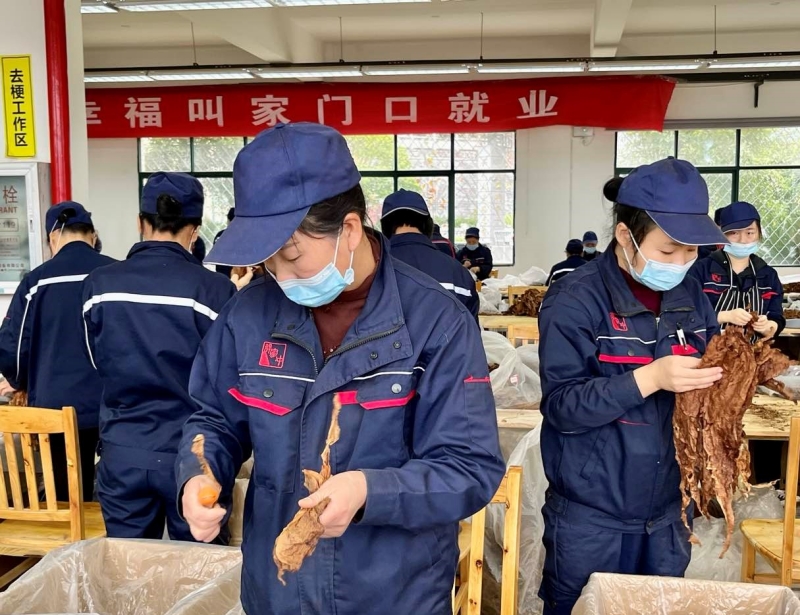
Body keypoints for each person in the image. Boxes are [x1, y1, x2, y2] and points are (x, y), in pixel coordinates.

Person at [177, 123, 504, 614]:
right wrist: (198, 475)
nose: (280, 278)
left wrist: (370, 490)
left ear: (349, 229)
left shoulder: (436, 324)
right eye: (268, 262)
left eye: (291, 256)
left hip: (394, 596)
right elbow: (213, 419)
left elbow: (468, 467)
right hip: (278, 589)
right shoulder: (247, 316)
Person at [537, 158, 728, 615]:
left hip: (667, 516)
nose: (681, 263)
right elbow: (562, 406)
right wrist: (649, 378)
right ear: (625, 236)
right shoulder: (576, 300)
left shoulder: (691, 300)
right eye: (668, 251)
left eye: (692, 252)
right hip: (591, 517)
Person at [82, 172, 236, 540]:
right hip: (193, 458)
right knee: (200, 581)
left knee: (126, 577)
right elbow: (224, 381)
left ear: (140, 222)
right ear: (195, 229)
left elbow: (96, 362)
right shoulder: (216, 291)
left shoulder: (99, 286)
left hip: (122, 453)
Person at [0, 201, 114, 502]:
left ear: (52, 237)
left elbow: (12, 346)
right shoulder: (115, 275)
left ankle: (70, 542)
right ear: (93, 235)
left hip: (55, 408)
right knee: (114, 495)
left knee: (65, 494)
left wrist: (19, 379)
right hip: (112, 407)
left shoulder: (37, 281)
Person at [689, 201, 784, 339]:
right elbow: (687, 315)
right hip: (709, 354)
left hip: (753, 355)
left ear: (759, 233)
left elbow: (777, 317)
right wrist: (724, 316)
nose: (743, 240)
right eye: (734, 233)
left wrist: (769, 326)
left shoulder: (768, 275)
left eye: (750, 232)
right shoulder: (701, 270)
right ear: (721, 234)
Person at [381, 189, 479, 322]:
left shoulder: (372, 270)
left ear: (384, 227)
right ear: (429, 225)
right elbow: (471, 336)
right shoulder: (458, 274)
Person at [213, 207, 235, 279]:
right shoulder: (243, 236)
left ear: (228, 219)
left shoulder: (220, 235)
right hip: (236, 274)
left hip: (221, 274)